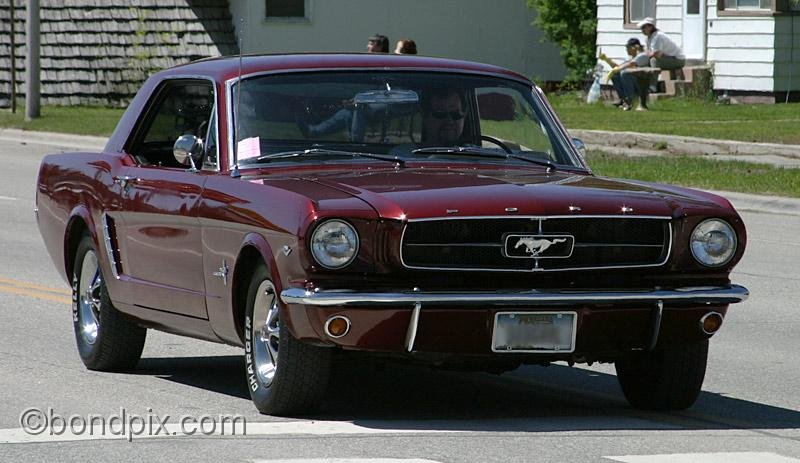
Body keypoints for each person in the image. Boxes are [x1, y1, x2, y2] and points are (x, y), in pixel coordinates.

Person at [600, 38, 650, 111]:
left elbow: (629, 66)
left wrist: (618, 69)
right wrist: (607, 60)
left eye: (628, 48)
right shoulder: (631, 57)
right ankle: (623, 100)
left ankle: (629, 100)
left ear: (634, 47)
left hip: (641, 84)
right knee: (616, 75)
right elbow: (619, 67)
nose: (627, 50)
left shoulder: (642, 56)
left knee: (625, 73)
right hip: (633, 82)